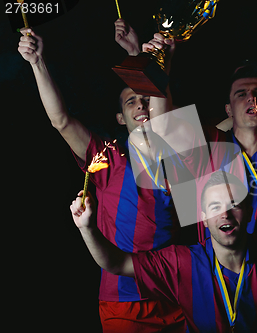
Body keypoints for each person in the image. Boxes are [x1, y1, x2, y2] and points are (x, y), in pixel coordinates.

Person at [18, 24, 185, 332]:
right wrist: (37, 63)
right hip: (124, 303)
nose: (141, 105)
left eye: (145, 99)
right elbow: (61, 121)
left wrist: (141, 56)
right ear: (121, 118)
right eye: (131, 101)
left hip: (176, 292)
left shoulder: (181, 150)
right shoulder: (108, 159)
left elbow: (164, 125)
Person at [69, 170, 257, 332]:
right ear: (203, 216)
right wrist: (88, 228)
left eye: (233, 206)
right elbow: (117, 263)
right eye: (215, 207)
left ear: (246, 210)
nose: (225, 215)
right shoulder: (182, 262)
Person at [141, 37, 257, 241]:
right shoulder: (213, 143)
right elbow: (162, 126)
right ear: (228, 110)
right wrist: (161, 67)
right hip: (217, 266)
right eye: (241, 94)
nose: (251, 98)